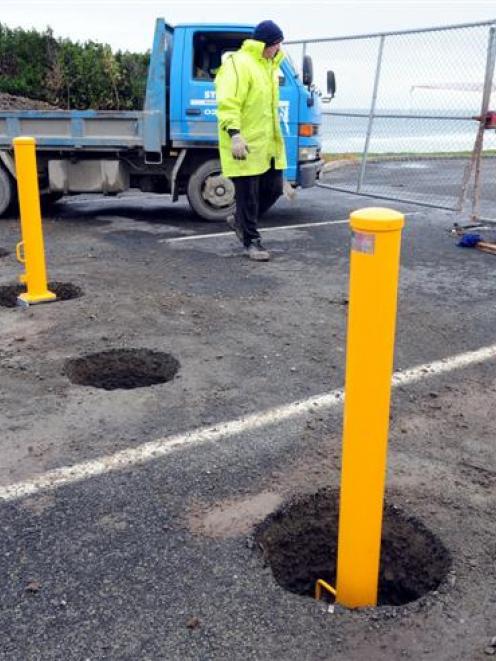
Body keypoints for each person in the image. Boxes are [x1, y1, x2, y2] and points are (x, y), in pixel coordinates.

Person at [214, 20, 287, 261]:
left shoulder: (269, 66)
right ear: (266, 44)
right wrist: (235, 134)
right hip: (243, 144)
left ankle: (239, 221)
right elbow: (228, 103)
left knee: (274, 188)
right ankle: (251, 242)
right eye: (276, 44)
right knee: (248, 196)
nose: (278, 48)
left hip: (266, 145)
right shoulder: (239, 64)